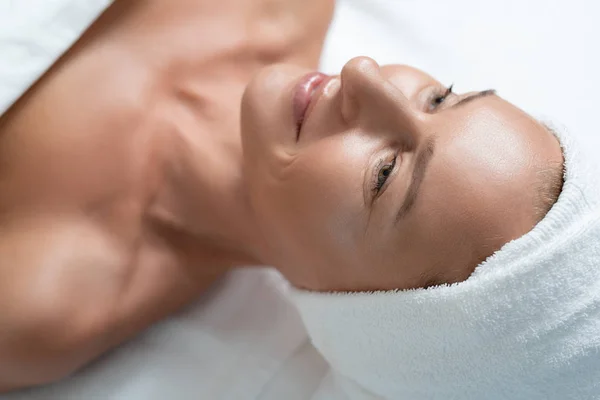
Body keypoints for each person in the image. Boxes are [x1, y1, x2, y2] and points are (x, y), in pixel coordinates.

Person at [0, 0, 565, 393]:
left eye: (385, 173)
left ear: (353, 314)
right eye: (439, 99)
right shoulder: (281, 10)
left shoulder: (39, 294)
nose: (365, 76)